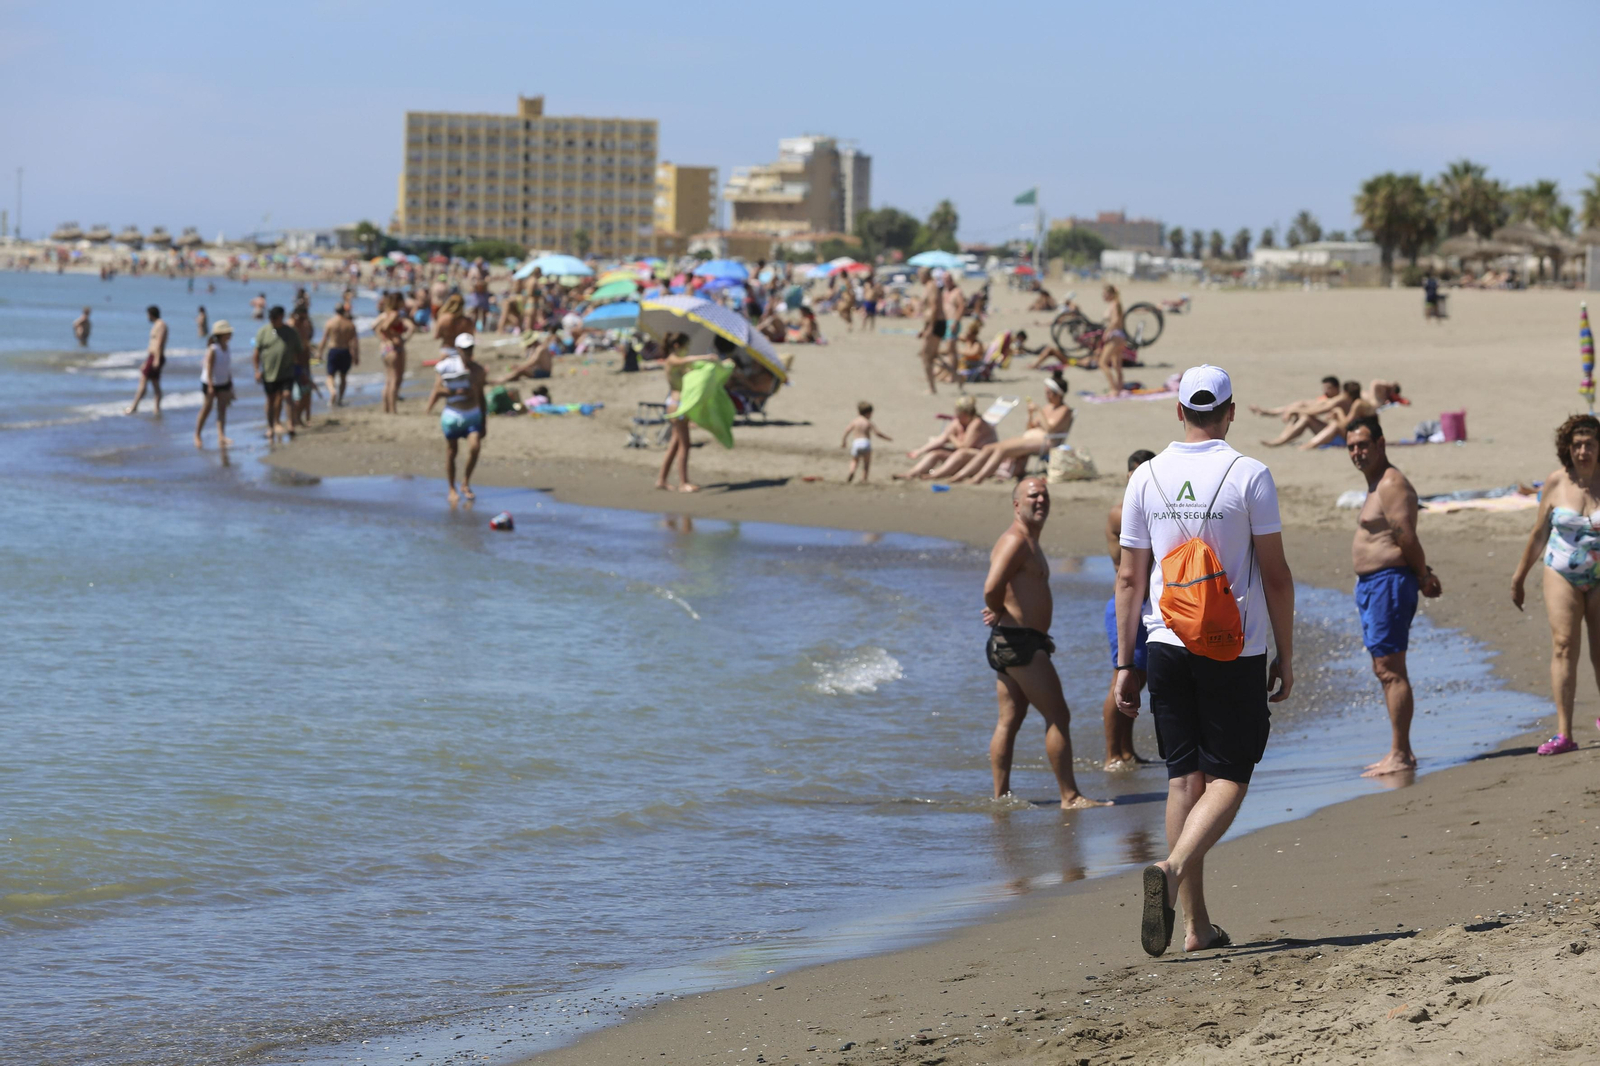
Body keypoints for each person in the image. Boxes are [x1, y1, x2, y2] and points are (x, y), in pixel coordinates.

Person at [1113, 364, 1296, 956]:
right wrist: (1284, 654)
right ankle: (1169, 872)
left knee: (1182, 779)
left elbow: (1128, 577)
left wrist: (1124, 661)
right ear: (1231, 410)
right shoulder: (1250, 474)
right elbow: (1275, 576)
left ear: (1178, 411)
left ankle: (1196, 927)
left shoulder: (1145, 476)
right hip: (1231, 647)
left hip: (1164, 643)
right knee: (1232, 775)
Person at [984, 476, 1110, 810]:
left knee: (1009, 719)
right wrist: (997, 608)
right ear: (1016, 504)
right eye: (1032, 496)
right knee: (1058, 715)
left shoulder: (1027, 540)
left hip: (1014, 640)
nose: (1040, 500)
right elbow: (990, 586)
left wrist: (1000, 608)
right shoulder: (1016, 541)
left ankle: (1001, 797)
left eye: (1044, 495)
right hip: (1019, 643)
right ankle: (1069, 796)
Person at [1346, 415, 1442, 776]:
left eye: (1363, 445)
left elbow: (1406, 537)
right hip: (1375, 585)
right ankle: (1399, 750)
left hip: (1390, 583)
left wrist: (1422, 575)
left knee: (1390, 670)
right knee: (1384, 668)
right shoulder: (1375, 483)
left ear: (1381, 444)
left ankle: (1400, 752)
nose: (1357, 452)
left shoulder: (1391, 484)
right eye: (1351, 446)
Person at [1511, 414, 1600, 756]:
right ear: (1567, 448)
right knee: (1564, 645)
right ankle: (1564, 733)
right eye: (1576, 445)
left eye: (1589, 444)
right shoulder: (1555, 483)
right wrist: (1519, 578)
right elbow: (1539, 534)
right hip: (1562, 571)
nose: (1583, 451)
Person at [1103, 448, 1157, 770]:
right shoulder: (1122, 512)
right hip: (1125, 606)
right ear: (1128, 476)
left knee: (1139, 681)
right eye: (1136, 473)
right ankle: (1112, 754)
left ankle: (1127, 750)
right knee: (1121, 679)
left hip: (1148, 605)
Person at [948, 371, 1073, 483]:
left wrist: (1039, 411)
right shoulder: (1048, 407)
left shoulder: (1065, 410)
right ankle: (962, 474)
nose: (1047, 396)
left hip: (1046, 443)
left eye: (1049, 393)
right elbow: (1030, 428)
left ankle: (978, 478)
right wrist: (1030, 415)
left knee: (1002, 450)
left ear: (1058, 394)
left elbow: (1051, 430)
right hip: (1030, 438)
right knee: (989, 448)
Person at [425, 332, 488, 506]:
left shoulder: (478, 370)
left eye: (471, 348)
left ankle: (466, 482)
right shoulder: (446, 366)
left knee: (475, 447)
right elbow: (437, 390)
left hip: (472, 414)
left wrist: (484, 421)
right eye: (465, 349)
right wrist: (456, 392)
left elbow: (482, 397)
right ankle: (451, 488)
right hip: (453, 415)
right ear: (458, 349)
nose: (468, 352)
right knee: (451, 452)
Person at [655, 331, 716, 493]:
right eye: (686, 346)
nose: (687, 350)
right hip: (677, 404)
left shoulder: (680, 363)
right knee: (685, 445)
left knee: (675, 445)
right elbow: (685, 360)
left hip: (678, 403)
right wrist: (705, 357)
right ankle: (684, 483)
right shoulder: (672, 360)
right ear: (676, 346)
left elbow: (693, 369)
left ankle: (661, 479)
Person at [896, 395, 998, 480]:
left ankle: (935, 475)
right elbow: (942, 439)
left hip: (984, 457)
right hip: (966, 455)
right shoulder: (959, 422)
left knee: (961, 453)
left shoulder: (977, 423)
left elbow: (964, 447)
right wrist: (920, 451)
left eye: (958, 414)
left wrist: (951, 437)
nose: (956, 416)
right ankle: (911, 473)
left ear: (966, 414)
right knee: (936, 452)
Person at [252, 305, 304, 443]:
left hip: (287, 371)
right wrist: (257, 370)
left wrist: (303, 370)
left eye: (275, 318)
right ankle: (271, 426)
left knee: (287, 395)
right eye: (271, 318)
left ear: (282, 317)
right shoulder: (264, 331)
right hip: (269, 373)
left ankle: (291, 425)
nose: (273, 320)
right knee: (271, 399)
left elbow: (299, 351)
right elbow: (256, 353)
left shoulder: (291, 332)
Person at [1260, 379, 1361, 448]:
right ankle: (1282, 439)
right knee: (1303, 413)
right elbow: (1313, 405)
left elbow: (1318, 411)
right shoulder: (1352, 401)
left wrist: (1296, 410)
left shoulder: (1344, 401)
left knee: (1306, 418)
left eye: (1328, 388)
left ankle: (1282, 441)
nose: (1325, 391)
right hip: (1338, 433)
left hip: (1342, 436)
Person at [194, 320, 235, 448]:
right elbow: (209, 368)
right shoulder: (213, 349)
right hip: (210, 383)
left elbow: (226, 368)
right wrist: (211, 386)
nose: (230, 334)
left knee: (222, 409)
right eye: (228, 332)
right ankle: (197, 435)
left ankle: (221, 436)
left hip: (223, 382)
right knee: (207, 408)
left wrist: (230, 385)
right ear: (221, 334)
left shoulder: (226, 348)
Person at [124, 305, 168, 415]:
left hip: (156, 357)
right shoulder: (157, 325)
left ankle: (135, 406)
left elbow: (159, 342)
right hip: (152, 357)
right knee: (155, 383)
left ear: (151, 314)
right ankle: (156, 409)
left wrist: (156, 359)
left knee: (144, 380)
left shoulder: (161, 325)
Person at [375, 292, 414, 414]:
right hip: (394, 349)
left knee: (388, 379)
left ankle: (386, 408)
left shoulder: (385, 313)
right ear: (399, 302)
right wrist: (394, 338)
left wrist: (385, 339)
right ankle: (393, 409)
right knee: (395, 379)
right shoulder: (395, 314)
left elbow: (376, 328)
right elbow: (384, 328)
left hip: (385, 349)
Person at [1250, 376, 1341, 423]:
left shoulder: (1339, 400)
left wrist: (1294, 410)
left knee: (1302, 412)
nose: (1325, 391)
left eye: (1328, 388)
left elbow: (1314, 411)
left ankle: (1269, 412)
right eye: (1324, 388)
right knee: (1301, 405)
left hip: (1334, 430)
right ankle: (1269, 412)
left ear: (1336, 388)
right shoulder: (1326, 398)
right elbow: (1308, 405)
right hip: (1323, 424)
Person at [840, 401, 893, 482]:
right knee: (866, 462)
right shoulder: (868, 422)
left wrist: (844, 441)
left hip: (856, 442)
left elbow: (847, 431)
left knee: (855, 460)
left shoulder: (855, 421)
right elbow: (877, 433)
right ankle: (864, 478)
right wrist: (887, 438)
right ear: (869, 413)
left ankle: (852, 471)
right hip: (865, 442)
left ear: (858, 412)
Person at [319, 304, 360, 406]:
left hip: (333, 350)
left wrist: (319, 353)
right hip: (345, 351)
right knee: (343, 377)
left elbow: (324, 339)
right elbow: (354, 342)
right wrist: (356, 356)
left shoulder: (330, 323)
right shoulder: (350, 324)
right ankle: (340, 399)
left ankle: (333, 391)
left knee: (330, 376)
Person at [916, 268, 946, 394]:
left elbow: (934, 307)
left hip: (936, 324)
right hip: (932, 324)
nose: (919, 278)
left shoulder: (931, 286)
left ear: (925, 276)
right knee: (932, 356)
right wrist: (925, 328)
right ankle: (956, 376)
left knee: (926, 356)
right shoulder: (929, 286)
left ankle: (932, 388)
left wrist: (930, 328)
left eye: (919, 276)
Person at [1098, 284, 1129, 394]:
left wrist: (1107, 332)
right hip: (1120, 336)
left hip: (1115, 336)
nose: (1103, 296)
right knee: (1117, 365)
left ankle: (1113, 388)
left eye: (1105, 294)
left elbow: (1116, 320)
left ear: (1111, 294)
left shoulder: (1115, 304)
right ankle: (1119, 387)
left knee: (1102, 362)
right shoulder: (1116, 304)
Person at [941, 273, 967, 369]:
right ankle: (951, 371)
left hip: (953, 322)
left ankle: (953, 373)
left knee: (951, 349)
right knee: (950, 349)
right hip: (945, 321)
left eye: (947, 279)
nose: (946, 281)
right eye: (944, 279)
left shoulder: (957, 291)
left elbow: (961, 307)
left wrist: (956, 322)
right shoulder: (945, 291)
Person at [467, 258, 492, 330]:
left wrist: (482, 283)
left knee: (484, 312)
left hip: (483, 293)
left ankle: (483, 328)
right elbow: (471, 282)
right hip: (476, 293)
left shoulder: (485, 271)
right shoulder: (473, 271)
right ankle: (474, 328)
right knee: (475, 311)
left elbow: (488, 280)